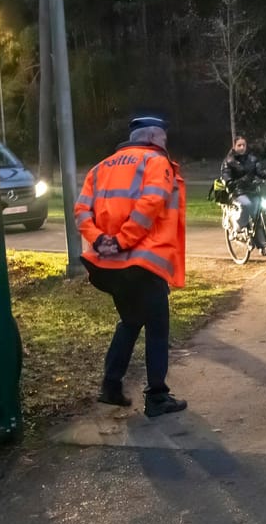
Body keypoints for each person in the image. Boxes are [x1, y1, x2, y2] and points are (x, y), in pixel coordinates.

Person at [75, 113, 188, 418]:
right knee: (157, 327)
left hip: (107, 267)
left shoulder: (100, 168)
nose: (166, 145)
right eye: (163, 139)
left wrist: (100, 240)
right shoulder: (155, 163)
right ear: (152, 138)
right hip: (143, 262)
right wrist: (123, 240)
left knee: (131, 320)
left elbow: (81, 210)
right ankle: (157, 397)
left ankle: (111, 387)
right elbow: (150, 204)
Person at [220, 135, 266, 246]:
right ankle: (239, 225)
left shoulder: (252, 159)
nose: (242, 147)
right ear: (234, 146)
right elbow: (226, 175)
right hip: (238, 192)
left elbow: (260, 171)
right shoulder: (229, 161)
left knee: (258, 213)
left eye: (244, 145)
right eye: (239, 145)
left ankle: (261, 243)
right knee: (247, 204)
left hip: (252, 190)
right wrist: (231, 182)